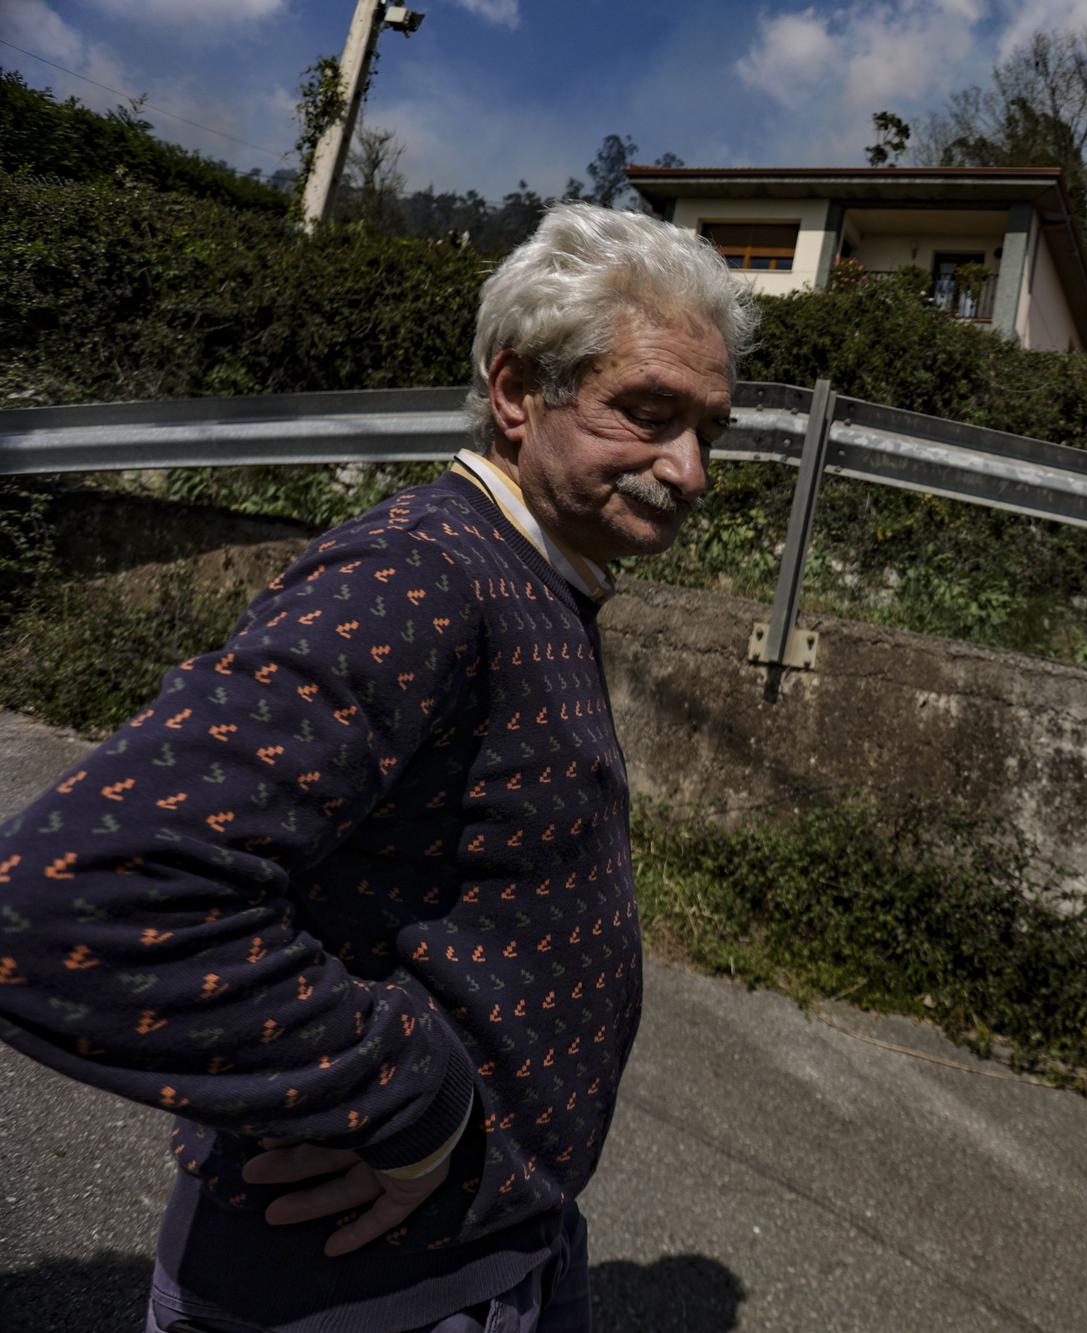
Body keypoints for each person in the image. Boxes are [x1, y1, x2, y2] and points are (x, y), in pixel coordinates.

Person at [0, 202, 758, 1332]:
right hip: (358, 1295)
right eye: (647, 414)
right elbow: (72, 894)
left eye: (709, 429)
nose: (688, 470)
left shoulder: (536, 574)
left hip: (490, 1251)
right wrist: (417, 1105)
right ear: (516, 394)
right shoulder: (425, 574)